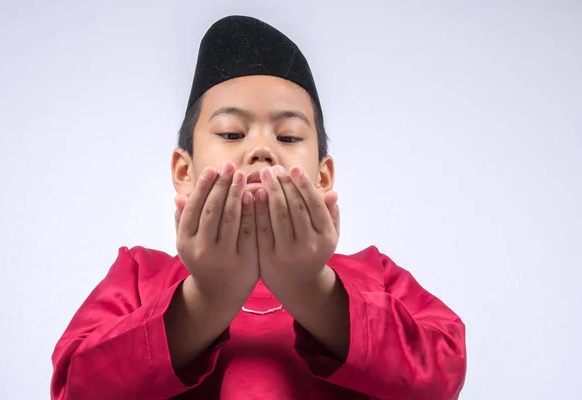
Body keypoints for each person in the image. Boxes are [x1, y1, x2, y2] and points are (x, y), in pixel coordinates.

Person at [51, 15, 467, 400]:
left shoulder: (373, 273)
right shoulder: (140, 275)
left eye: (288, 137)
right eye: (232, 133)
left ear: (323, 178)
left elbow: (444, 372)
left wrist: (313, 290)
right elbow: (74, 386)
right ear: (184, 170)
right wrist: (206, 299)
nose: (262, 150)